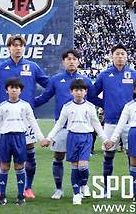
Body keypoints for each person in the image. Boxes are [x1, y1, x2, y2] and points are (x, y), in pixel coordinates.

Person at [0, 35, 50, 199]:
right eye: (14, 45)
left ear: (24, 48)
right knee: (0, 154)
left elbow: (49, 86)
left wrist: (36, 102)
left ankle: (28, 187)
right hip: (6, 119)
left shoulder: (32, 66)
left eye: (20, 45)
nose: (17, 48)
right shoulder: (1, 67)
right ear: (9, 48)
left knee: (29, 153)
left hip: (26, 120)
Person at [35, 49, 96, 200]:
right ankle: (59, 188)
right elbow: (45, 97)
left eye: (74, 59)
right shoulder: (56, 79)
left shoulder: (86, 80)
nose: (71, 61)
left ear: (79, 61)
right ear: (63, 62)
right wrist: (29, 105)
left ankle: (83, 186)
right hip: (62, 127)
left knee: (81, 162)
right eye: (68, 59)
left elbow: (94, 99)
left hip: (81, 129)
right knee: (58, 157)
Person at [0, 78, 49, 206]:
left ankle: (21, 196)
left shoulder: (25, 106)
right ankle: (2, 196)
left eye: (16, 88)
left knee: (19, 166)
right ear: (6, 90)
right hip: (5, 139)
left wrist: (41, 138)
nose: (14, 89)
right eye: (11, 87)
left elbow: (33, 123)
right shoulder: (2, 106)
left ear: (20, 91)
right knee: (4, 166)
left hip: (20, 138)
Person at [44, 79, 107, 206]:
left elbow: (96, 124)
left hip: (86, 138)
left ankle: (84, 184)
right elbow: (60, 124)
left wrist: (105, 139)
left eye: (81, 90)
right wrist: (49, 137)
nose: (79, 93)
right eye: (76, 90)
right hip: (72, 137)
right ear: (71, 92)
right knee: (75, 166)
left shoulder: (90, 107)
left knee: (82, 166)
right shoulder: (67, 107)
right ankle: (76, 194)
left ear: (85, 92)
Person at [89, 44, 136, 194]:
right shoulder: (104, 75)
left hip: (130, 123)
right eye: (117, 54)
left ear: (127, 57)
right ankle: (106, 188)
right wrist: (105, 104)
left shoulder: (134, 75)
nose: (120, 56)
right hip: (111, 121)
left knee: (132, 155)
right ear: (112, 56)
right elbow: (92, 95)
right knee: (108, 155)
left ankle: (134, 188)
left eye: (122, 54)